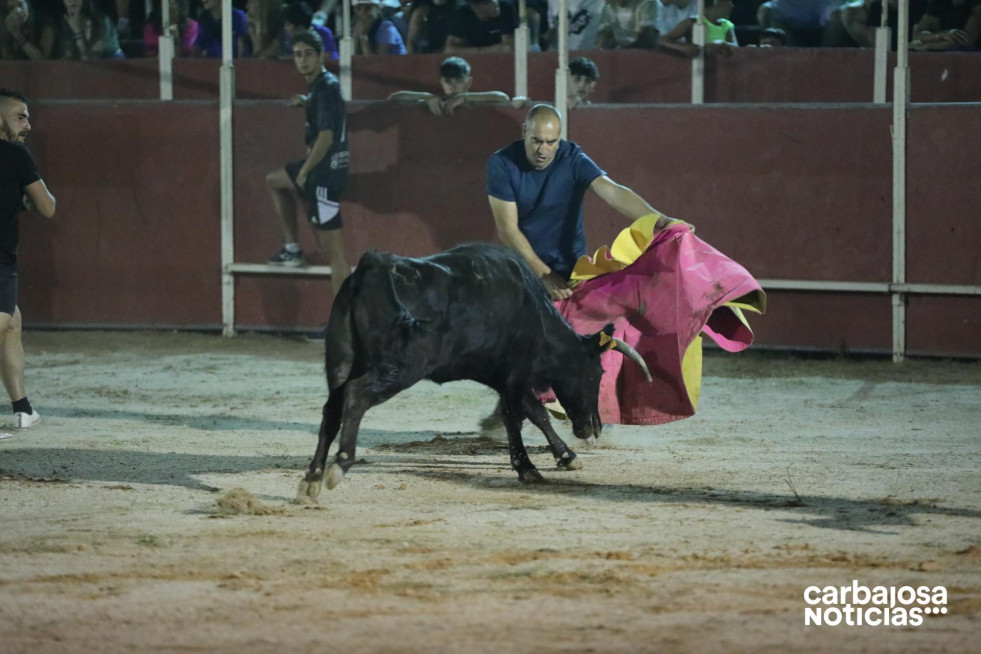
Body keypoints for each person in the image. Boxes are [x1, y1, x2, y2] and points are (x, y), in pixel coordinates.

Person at [487, 104, 674, 300]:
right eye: (536, 141)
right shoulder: (501, 163)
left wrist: (660, 221)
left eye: (551, 142)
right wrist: (544, 274)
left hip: (572, 268)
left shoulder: (573, 158)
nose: (543, 150)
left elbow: (612, 191)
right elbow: (507, 230)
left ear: (560, 138)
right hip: (523, 267)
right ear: (525, 131)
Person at [266, 31, 350, 300]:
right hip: (324, 171)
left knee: (334, 254)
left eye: (308, 54)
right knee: (274, 180)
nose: (302, 60)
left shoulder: (324, 87)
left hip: (324, 175)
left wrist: (304, 171)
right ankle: (291, 248)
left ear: (321, 56)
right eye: (297, 55)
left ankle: (343, 322)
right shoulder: (321, 86)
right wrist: (306, 101)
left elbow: (325, 138)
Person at [0, 89, 55, 436]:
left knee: (11, 325)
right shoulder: (16, 155)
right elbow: (47, 207)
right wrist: (26, 198)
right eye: (21, 116)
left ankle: (23, 409)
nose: (28, 124)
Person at [388, 56, 511, 115]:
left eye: (458, 80)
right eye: (448, 81)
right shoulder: (436, 101)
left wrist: (465, 97)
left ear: (469, 82)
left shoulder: (478, 101)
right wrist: (426, 97)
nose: (452, 86)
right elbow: (393, 98)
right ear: (441, 81)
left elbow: (502, 97)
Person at [660, 0, 737, 58]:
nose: (731, 5)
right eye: (727, 1)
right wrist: (684, 48)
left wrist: (723, 45)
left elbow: (735, 48)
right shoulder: (691, 22)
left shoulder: (725, 25)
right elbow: (661, 40)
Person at [58, 0, 125, 58]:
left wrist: (78, 31)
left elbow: (89, 60)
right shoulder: (63, 23)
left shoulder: (101, 21)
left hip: (112, 67)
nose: (72, 0)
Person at [445, 0, 518, 53]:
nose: (495, 3)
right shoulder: (463, 13)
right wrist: (485, 50)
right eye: (489, 2)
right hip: (474, 60)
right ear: (476, 7)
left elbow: (508, 48)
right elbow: (450, 50)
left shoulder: (506, 8)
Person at [909, 0, 981, 51]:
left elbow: (965, 43)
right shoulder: (939, 2)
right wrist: (942, 35)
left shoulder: (977, 5)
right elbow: (917, 35)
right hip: (940, 51)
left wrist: (927, 46)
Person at [756, 0, 830, 46]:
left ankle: (828, 57)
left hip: (821, 10)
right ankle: (791, 55)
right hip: (786, 11)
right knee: (766, 11)